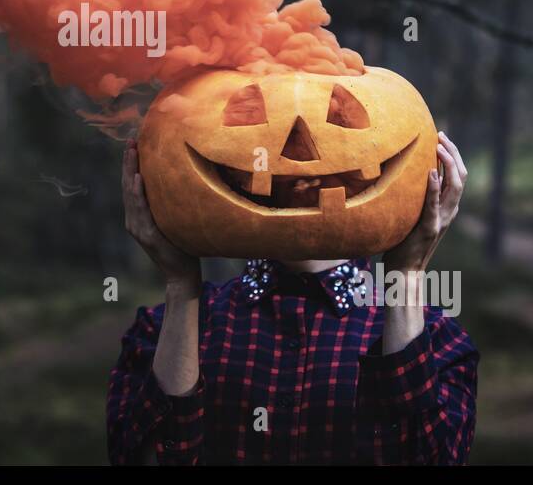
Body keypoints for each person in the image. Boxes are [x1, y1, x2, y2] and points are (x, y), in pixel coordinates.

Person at [107, 131, 477, 465]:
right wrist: (180, 286)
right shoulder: (158, 331)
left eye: (335, 120)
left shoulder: (437, 339)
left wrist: (406, 276)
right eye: (259, 117)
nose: (299, 152)